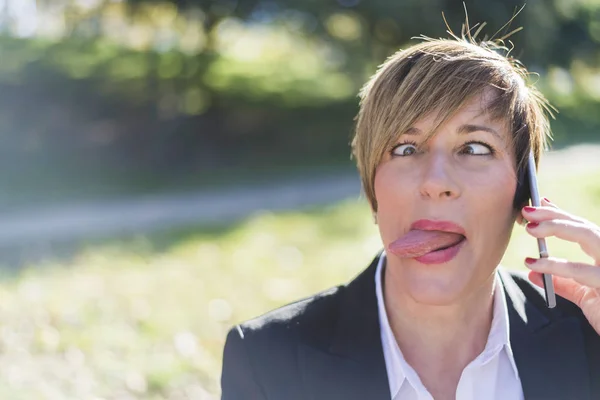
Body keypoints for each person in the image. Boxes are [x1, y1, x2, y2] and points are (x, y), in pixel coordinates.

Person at [220, 26, 600, 400]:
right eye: (405, 149)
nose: (435, 182)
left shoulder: (587, 337)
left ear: (523, 195)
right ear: (373, 189)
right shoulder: (267, 362)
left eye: (474, 148)